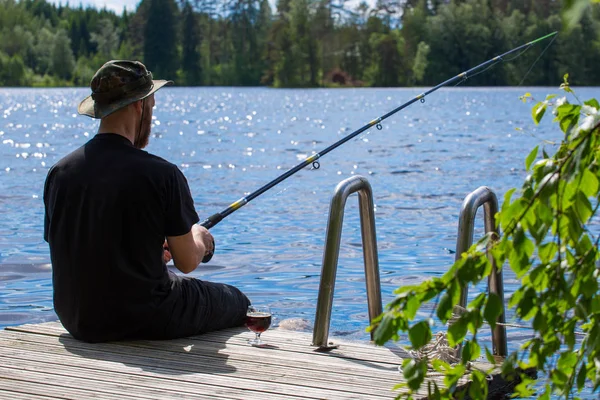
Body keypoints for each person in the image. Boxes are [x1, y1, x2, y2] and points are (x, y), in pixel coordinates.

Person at [43, 60, 250, 343]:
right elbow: (187, 262)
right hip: (144, 317)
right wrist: (202, 240)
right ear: (139, 105)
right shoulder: (162, 174)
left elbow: (80, 246)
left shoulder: (60, 172)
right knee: (238, 300)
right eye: (151, 105)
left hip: (77, 319)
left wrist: (150, 248)